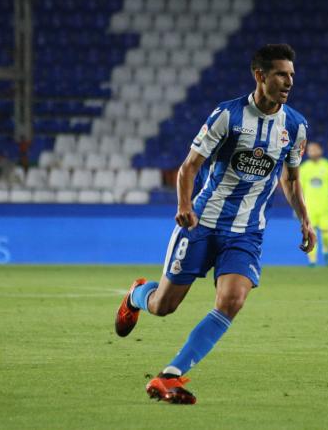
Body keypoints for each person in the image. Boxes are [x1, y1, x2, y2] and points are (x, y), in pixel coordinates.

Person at [114, 44, 316, 405]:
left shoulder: (296, 126)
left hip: (247, 231)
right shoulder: (229, 115)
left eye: (291, 75)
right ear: (260, 75)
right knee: (163, 306)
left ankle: (169, 376)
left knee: (233, 299)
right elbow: (189, 165)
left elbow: (291, 178)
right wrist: (183, 205)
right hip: (202, 222)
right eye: (281, 74)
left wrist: (305, 220)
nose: (288, 82)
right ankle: (137, 295)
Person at [298, 142, 328, 266]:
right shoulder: (304, 168)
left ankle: (326, 252)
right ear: (308, 152)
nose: (313, 152)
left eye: (315, 149)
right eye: (311, 150)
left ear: (320, 151)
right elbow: (300, 188)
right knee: (311, 235)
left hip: (325, 207)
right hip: (309, 208)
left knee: (327, 235)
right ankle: (312, 260)